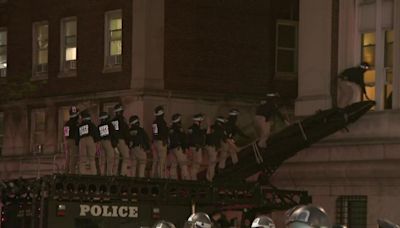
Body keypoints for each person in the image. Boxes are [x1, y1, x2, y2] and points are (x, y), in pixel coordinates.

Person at [168, 113, 190, 180]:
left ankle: (173, 180)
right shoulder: (179, 128)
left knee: (173, 165)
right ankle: (186, 180)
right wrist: (185, 148)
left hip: (171, 148)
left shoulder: (170, 128)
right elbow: (183, 138)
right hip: (178, 148)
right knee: (183, 164)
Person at [78, 110, 100, 175]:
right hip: (90, 140)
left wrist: (77, 143)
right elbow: (96, 133)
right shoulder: (92, 125)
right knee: (92, 159)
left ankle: (82, 175)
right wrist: (97, 141)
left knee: (82, 160)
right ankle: (94, 174)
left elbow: (77, 135)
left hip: (82, 140)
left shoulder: (80, 126)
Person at [205, 116, 227, 181]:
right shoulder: (221, 129)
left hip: (208, 147)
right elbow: (225, 139)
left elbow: (207, 135)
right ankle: (210, 179)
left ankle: (208, 177)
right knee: (212, 164)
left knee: (210, 162)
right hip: (213, 148)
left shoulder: (211, 127)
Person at [111, 103, 131, 176]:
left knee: (117, 158)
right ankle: (122, 174)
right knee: (125, 157)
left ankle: (115, 173)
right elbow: (125, 131)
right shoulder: (122, 120)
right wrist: (128, 142)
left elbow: (112, 132)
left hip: (114, 141)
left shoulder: (112, 121)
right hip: (121, 140)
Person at [97, 111, 118, 176]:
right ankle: (109, 174)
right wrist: (115, 146)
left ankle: (103, 174)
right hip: (108, 142)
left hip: (101, 143)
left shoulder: (99, 126)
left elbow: (97, 135)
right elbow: (113, 135)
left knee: (103, 159)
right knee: (110, 158)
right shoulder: (109, 124)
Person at [187, 113, 207, 180]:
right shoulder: (198, 129)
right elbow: (197, 138)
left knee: (192, 164)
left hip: (191, 148)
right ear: (199, 121)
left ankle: (191, 178)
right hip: (196, 148)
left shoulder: (190, 128)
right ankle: (193, 178)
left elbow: (189, 138)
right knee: (197, 163)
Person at [151, 105, 169, 178]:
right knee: (162, 160)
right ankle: (161, 176)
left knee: (155, 160)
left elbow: (155, 133)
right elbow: (164, 133)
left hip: (155, 142)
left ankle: (153, 175)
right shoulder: (163, 122)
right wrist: (165, 140)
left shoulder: (154, 122)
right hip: (161, 143)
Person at [63, 106, 80, 174]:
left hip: (67, 141)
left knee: (68, 158)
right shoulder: (77, 124)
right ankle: (72, 174)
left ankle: (66, 172)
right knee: (73, 158)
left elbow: (65, 134)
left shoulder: (66, 123)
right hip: (73, 142)